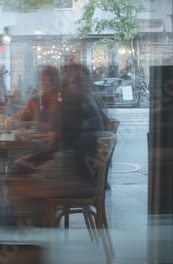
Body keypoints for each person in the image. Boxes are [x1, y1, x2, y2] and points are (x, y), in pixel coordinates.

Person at [6, 63, 106, 226]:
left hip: (78, 177)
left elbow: (59, 143)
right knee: (20, 166)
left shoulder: (77, 105)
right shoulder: (87, 103)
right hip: (82, 170)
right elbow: (62, 140)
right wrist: (36, 158)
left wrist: (35, 160)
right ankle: (41, 225)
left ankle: (38, 233)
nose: (67, 81)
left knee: (17, 182)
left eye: (71, 79)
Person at [11, 65, 62, 174]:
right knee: (16, 159)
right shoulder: (45, 97)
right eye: (40, 78)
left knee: (17, 161)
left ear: (52, 80)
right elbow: (43, 124)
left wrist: (31, 135)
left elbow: (55, 131)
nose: (41, 81)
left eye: (44, 78)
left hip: (54, 150)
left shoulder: (58, 99)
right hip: (46, 146)